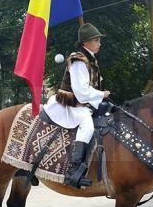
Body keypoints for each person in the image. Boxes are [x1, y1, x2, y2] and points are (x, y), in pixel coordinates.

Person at [43, 23, 110, 188]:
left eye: (99, 40)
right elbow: (81, 91)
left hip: (84, 102)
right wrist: (101, 94)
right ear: (85, 42)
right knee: (87, 127)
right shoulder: (78, 60)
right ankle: (73, 171)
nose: (99, 44)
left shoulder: (90, 60)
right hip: (72, 104)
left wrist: (102, 96)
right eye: (96, 40)